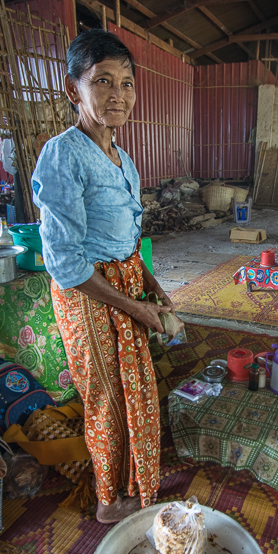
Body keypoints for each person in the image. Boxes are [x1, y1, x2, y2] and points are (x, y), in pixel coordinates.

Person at [32, 30, 174, 523]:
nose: (119, 95)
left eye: (127, 83)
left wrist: (153, 287)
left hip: (126, 284)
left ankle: (136, 479)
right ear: (74, 90)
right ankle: (109, 500)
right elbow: (67, 263)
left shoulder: (124, 158)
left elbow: (129, 241)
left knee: (134, 385)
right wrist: (136, 306)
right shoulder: (62, 154)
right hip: (87, 293)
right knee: (106, 396)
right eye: (103, 82)